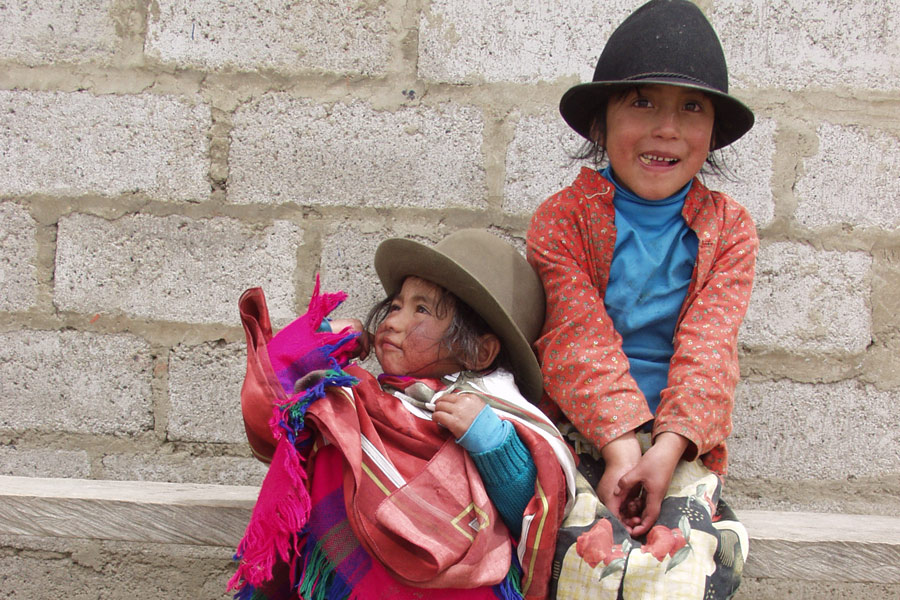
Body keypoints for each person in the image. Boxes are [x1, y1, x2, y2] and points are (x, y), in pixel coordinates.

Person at [526, 1, 757, 598]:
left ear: (711, 131)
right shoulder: (564, 220)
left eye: (691, 107)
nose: (667, 129)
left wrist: (664, 454)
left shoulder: (728, 229)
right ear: (601, 121)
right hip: (580, 430)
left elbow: (709, 350)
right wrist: (621, 449)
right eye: (642, 102)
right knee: (577, 556)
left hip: (678, 441)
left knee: (680, 565)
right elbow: (576, 338)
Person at [230, 229, 575, 600]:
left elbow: (530, 509)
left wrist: (492, 443)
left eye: (421, 309)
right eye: (395, 306)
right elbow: (267, 404)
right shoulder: (355, 400)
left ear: (480, 353)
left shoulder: (495, 413)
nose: (393, 321)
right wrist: (331, 338)